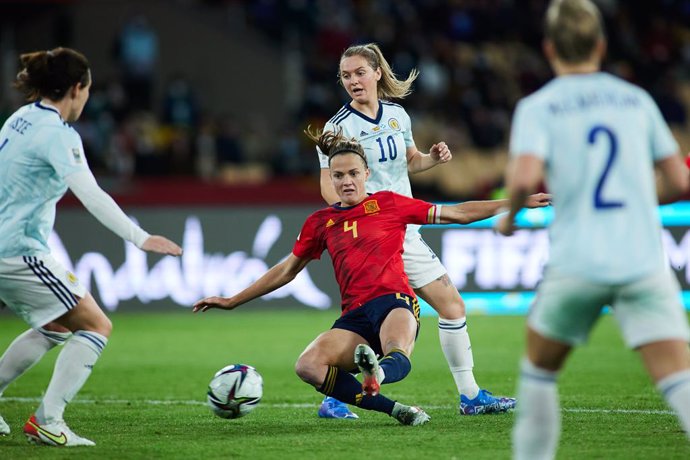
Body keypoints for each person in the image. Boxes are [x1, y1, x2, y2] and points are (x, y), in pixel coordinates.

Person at [194, 128, 551, 425]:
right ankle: (396, 409)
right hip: (354, 317)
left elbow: (457, 213)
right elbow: (287, 269)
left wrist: (514, 202)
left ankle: (376, 374)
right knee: (308, 365)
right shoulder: (320, 222)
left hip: (395, 301)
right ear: (330, 179)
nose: (346, 181)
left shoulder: (391, 204)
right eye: (338, 176)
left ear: (366, 174)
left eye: (352, 174)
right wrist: (231, 300)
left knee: (397, 349)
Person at [495, 1, 690, 458]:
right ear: (601, 45)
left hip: (577, 263)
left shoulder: (538, 106)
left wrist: (508, 218)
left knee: (539, 372)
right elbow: (679, 182)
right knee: (679, 380)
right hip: (641, 261)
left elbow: (524, 178)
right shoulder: (635, 100)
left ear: (548, 49)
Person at [316, 42, 516, 418]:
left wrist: (432, 160)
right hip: (374, 235)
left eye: (360, 73)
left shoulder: (397, 116)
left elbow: (409, 162)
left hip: (403, 228)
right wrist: (350, 213)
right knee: (379, 316)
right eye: (346, 76)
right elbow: (329, 182)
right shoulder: (337, 128)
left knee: (450, 307)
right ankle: (468, 395)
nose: (354, 81)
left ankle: (469, 396)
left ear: (377, 72)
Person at [0, 47, 182, 446]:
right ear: (77, 88)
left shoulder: (19, 119)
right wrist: (140, 237)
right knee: (96, 324)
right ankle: (50, 420)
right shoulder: (57, 134)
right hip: (20, 251)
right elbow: (91, 195)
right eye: (87, 90)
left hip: (6, 246)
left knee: (56, 324)